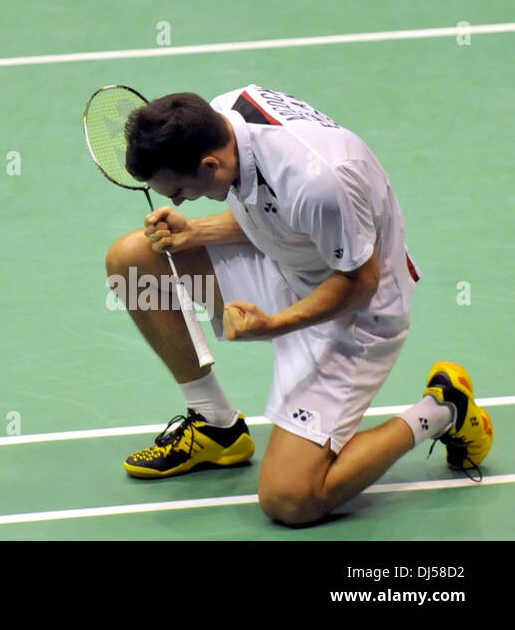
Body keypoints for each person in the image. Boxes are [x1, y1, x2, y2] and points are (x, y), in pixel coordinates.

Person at [104, 85, 492, 525]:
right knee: (133, 262)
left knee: (290, 500)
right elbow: (272, 209)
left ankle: (444, 409)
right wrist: (196, 232)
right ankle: (216, 426)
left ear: (210, 165)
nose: (175, 201)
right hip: (288, 262)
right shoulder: (223, 119)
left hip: (357, 311)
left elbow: (360, 282)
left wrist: (275, 324)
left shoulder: (317, 180)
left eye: (177, 190)